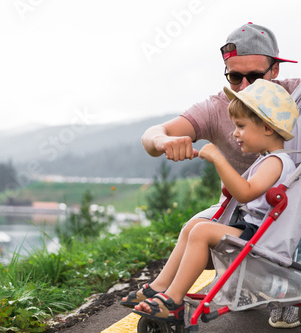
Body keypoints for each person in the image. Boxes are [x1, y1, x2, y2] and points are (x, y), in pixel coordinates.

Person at [121, 22, 301, 328]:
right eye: (234, 76)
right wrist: (165, 141)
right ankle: (161, 290)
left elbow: (245, 191)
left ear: (275, 70)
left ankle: (175, 301)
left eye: (255, 76)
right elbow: (153, 135)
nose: (244, 87)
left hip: (275, 227)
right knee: (195, 225)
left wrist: (217, 156)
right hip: (252, 219)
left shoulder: (285, 122)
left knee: (204, 232)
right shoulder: (223, 109)